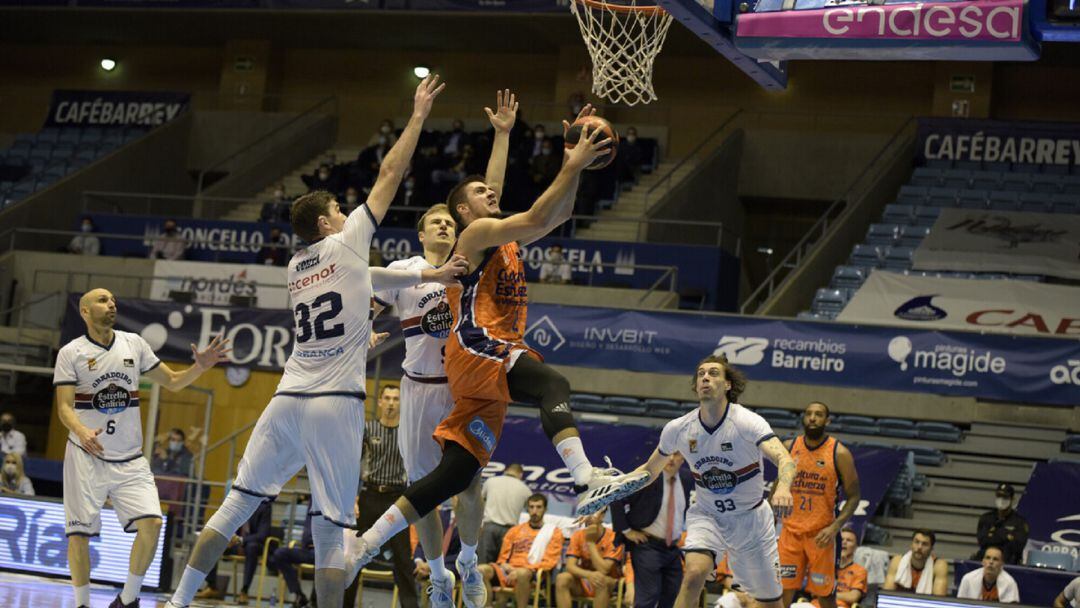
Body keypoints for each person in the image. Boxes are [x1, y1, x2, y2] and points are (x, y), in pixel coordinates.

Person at [165, 74, 452, 608]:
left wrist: (424, 279)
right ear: (327, 222)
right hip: (333, 404)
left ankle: (176, 603)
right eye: (339, 213)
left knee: (233, 508)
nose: (347, 215)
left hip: (285, 397)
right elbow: (390, 173)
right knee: (330, 530)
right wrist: (416, 116)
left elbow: (368, 278)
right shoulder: (345, 243)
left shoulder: (297, 265)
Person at [345, 97, 645, 596]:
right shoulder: (474, 236)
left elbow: (552, 211)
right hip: (472, 350)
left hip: (473, 369)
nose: (492, 194)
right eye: (480, 195)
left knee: (458, 477)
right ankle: (583, 478)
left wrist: (553, 157)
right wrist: (570, 162)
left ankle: (375, 547)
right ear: (459, 214)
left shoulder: (493, 230)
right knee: (553, 382)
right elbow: (527, 213)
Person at [54, 288, 230, 608]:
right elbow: (64, 407)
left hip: (130, 458)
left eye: (113, 300)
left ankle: (128, 599)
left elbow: (174, 381)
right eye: (102, 300)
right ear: (84, 311)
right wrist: (80, 430)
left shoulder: (133, 343)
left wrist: (200, 367)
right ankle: (81, 603)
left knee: (153, 523)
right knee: (78, 535)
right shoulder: (71, 352)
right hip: (85, 455)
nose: (111, 304)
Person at [369, 201, 481, 608]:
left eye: (450, 223)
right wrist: (365, 330)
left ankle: (468, 562)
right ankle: (438, 574)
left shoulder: (471, 265)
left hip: (463, 390)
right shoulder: (403, 269)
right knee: (424, 492)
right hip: (418, 389)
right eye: (436, 222)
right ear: (421, 234)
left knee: (470, 485)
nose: (444, 227)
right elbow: (368, 308)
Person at [619, 354, 797, 608]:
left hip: (752, 520)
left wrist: (783, 485)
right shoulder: (679, 428)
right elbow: (650, 471)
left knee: (770, 603)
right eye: (701, 373)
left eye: (713, 373)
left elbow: (785, 459)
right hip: (708, 515)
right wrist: (614, 491)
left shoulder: (747, 422)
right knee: (693, 574)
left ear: (727, 385)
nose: (705, 377)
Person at [341, 386, 419, 608]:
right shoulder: (368, 429)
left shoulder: (407, 433)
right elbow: (353, 464)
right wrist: (352, 498)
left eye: (396, 398)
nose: (392, 403)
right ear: (380, 402)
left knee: (404, 560)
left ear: (401, 403)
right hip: (369, 495)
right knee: (354, 555)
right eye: (387, 398)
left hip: (397, 500)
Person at [779, 402, 861, 607]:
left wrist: (835, 527)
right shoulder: (789, 447)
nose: (813, 418)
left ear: (827, 421)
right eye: (808, 414)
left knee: (824, 596)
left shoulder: (839, 453)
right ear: (804, 418)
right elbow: (778, 485)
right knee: (782, 592)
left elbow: (854, 497)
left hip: (822, 535)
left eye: (818, 414)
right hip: (791, 533)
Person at [610, 453, 693, 608]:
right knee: (647, 599)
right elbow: (616, 494)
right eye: (668, 453)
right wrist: (627, 531)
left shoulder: (688, 480)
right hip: (648, 546)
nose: (671, 459)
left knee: (671, 597)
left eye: (676, 454)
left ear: (684, 457)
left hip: (673, 549)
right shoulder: (648, 476)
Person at [477, 493, 564, 608]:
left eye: (538, 507)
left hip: (533, 572)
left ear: (545, 509)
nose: (534, 511)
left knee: (522, 573)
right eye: (531, 507)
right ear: (527, 509)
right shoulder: (515, 530)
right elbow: (503, 557)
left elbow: (550, 561)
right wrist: (506, 566)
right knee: (480, 570)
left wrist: (521, 571)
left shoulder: (553, 532)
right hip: (509, 570)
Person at [194, 500, 273, 604]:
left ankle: (244, 591)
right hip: (235, 543)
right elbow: (226, 524)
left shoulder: (264, 507)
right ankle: (212, 586)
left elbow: (262, 535)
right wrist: (227, 537)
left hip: (253, 544)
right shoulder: (237, 503)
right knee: (214, 542)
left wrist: (241, 540)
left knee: (251, 548)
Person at [556, 507, 625, 608]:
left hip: (608, 582)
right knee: (562, 578)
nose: (588, 517)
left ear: (602, 515)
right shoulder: (578, 535)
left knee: (601, 580)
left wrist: (590, 543)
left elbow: (604, 570)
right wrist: (588, 574)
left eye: (593, 513)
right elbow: (570, 566)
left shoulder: (614, 537)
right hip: (585, 579)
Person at [480, 463, 533, 564]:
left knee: (483, 565)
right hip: (510, 531)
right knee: (502, 567)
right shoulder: (526, 490)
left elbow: (480, 502)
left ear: (505, 470)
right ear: (521, 475)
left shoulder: (491, 481)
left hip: (489, 528)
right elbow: (530, 510)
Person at [882, 529, 949, 595]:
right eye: (916, 542)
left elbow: (939, 600)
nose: (919, 547)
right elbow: (887, 594)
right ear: (911, 544)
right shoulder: (897, 561)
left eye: (925, 544)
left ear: (931, 549)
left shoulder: (939, 566)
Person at [975, 483, 1028, 565]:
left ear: (1012, 498)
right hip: (986, 562)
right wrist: (1006, 536)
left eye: (1005, 497)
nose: (1001, 500)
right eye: (999, 496)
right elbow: (983, 541)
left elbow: (1017, 547)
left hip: (1009, 563)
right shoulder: (986, 518)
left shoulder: (1020, 522)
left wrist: (994, 535)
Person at [272, 510, 316, 608]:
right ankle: (299, 595)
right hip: (307, 549)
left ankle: (315, 602)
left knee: (325, 562)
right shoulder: (313, 501)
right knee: (280, 554)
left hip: (325, 552)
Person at [815, 528, 867, 608]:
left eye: (849, 540)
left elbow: (853, 597)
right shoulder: (824, 566)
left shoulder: (860, 571)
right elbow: (814, 592)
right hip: (814, 605)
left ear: (856, 547)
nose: (844, 542)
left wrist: (827, 594)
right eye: (841, 539)